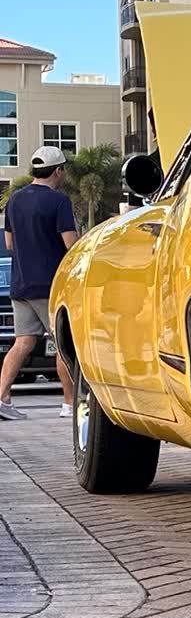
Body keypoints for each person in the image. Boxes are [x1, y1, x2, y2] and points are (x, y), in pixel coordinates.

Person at [0, 145, 78, 421]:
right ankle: (69, 404)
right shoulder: (59, 202)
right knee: (63, 344)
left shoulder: (15, 200)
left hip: (20, 285)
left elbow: (9, 243)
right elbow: (71, 246)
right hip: (50, 285)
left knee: (22, 343)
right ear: (58, 171)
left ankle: (3, 399)